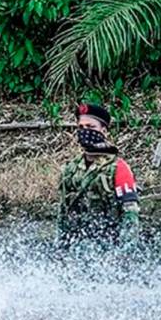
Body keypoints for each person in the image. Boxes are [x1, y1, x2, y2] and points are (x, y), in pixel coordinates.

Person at [56, 103, 141, 251]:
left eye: (90, 127)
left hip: (109, 246)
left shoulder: (118, 168)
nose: (85, 131)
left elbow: (130, 214)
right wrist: (61, 248)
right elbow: (63, 212)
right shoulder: (70, 168)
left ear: (104, 131)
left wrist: (125, 254)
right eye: (81, 128)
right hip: (77, 247)